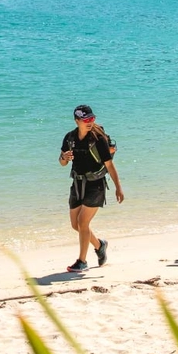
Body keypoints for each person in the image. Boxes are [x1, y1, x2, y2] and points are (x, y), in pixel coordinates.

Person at [59, 104, 124, 273]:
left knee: (83, 222)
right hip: (77, 184)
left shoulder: (98, 139)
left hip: (96, 185)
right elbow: (62, 163)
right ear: (77, 121)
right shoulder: (69, 138)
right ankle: (99, 245)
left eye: (92, 119)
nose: (90, 122)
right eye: (86, 119)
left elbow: (109, 164)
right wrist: (63, 157)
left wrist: (118, 187)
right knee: (76, 225)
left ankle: (82, 261)